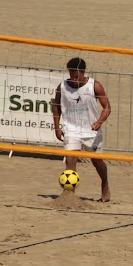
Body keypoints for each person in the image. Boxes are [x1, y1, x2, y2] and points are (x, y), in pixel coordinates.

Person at [52, 57, 112, 202]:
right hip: (71, 129)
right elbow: (56, 107)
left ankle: (105, 184)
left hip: (91, 130)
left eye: (76, 74)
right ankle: (69, 194)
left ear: (83, 72)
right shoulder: (62, 86)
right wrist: (57, 127)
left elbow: (107, 108)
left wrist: (99, 122)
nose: (74, 77)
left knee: (97, 162)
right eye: (71, 74)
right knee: (71, 159)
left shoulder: (95, 86)